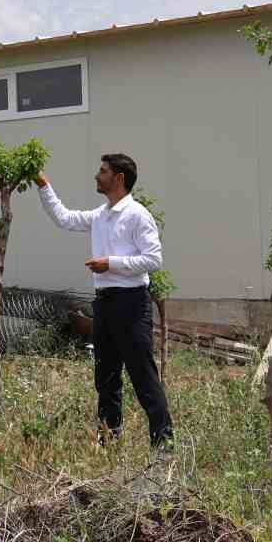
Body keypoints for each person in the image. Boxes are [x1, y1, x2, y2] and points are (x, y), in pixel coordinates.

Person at [35, 154, 173, 446]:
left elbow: (153, 259)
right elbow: (65, 218)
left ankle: (164, 446)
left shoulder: (137, 214)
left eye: (103, 171)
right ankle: (108, 441)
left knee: (143, 377)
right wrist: (43, 185)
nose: (97, 176)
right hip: (105, 304)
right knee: (106, 377)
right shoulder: (102, 214)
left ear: (119, 178)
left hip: (132, 305)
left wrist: (111, 263)